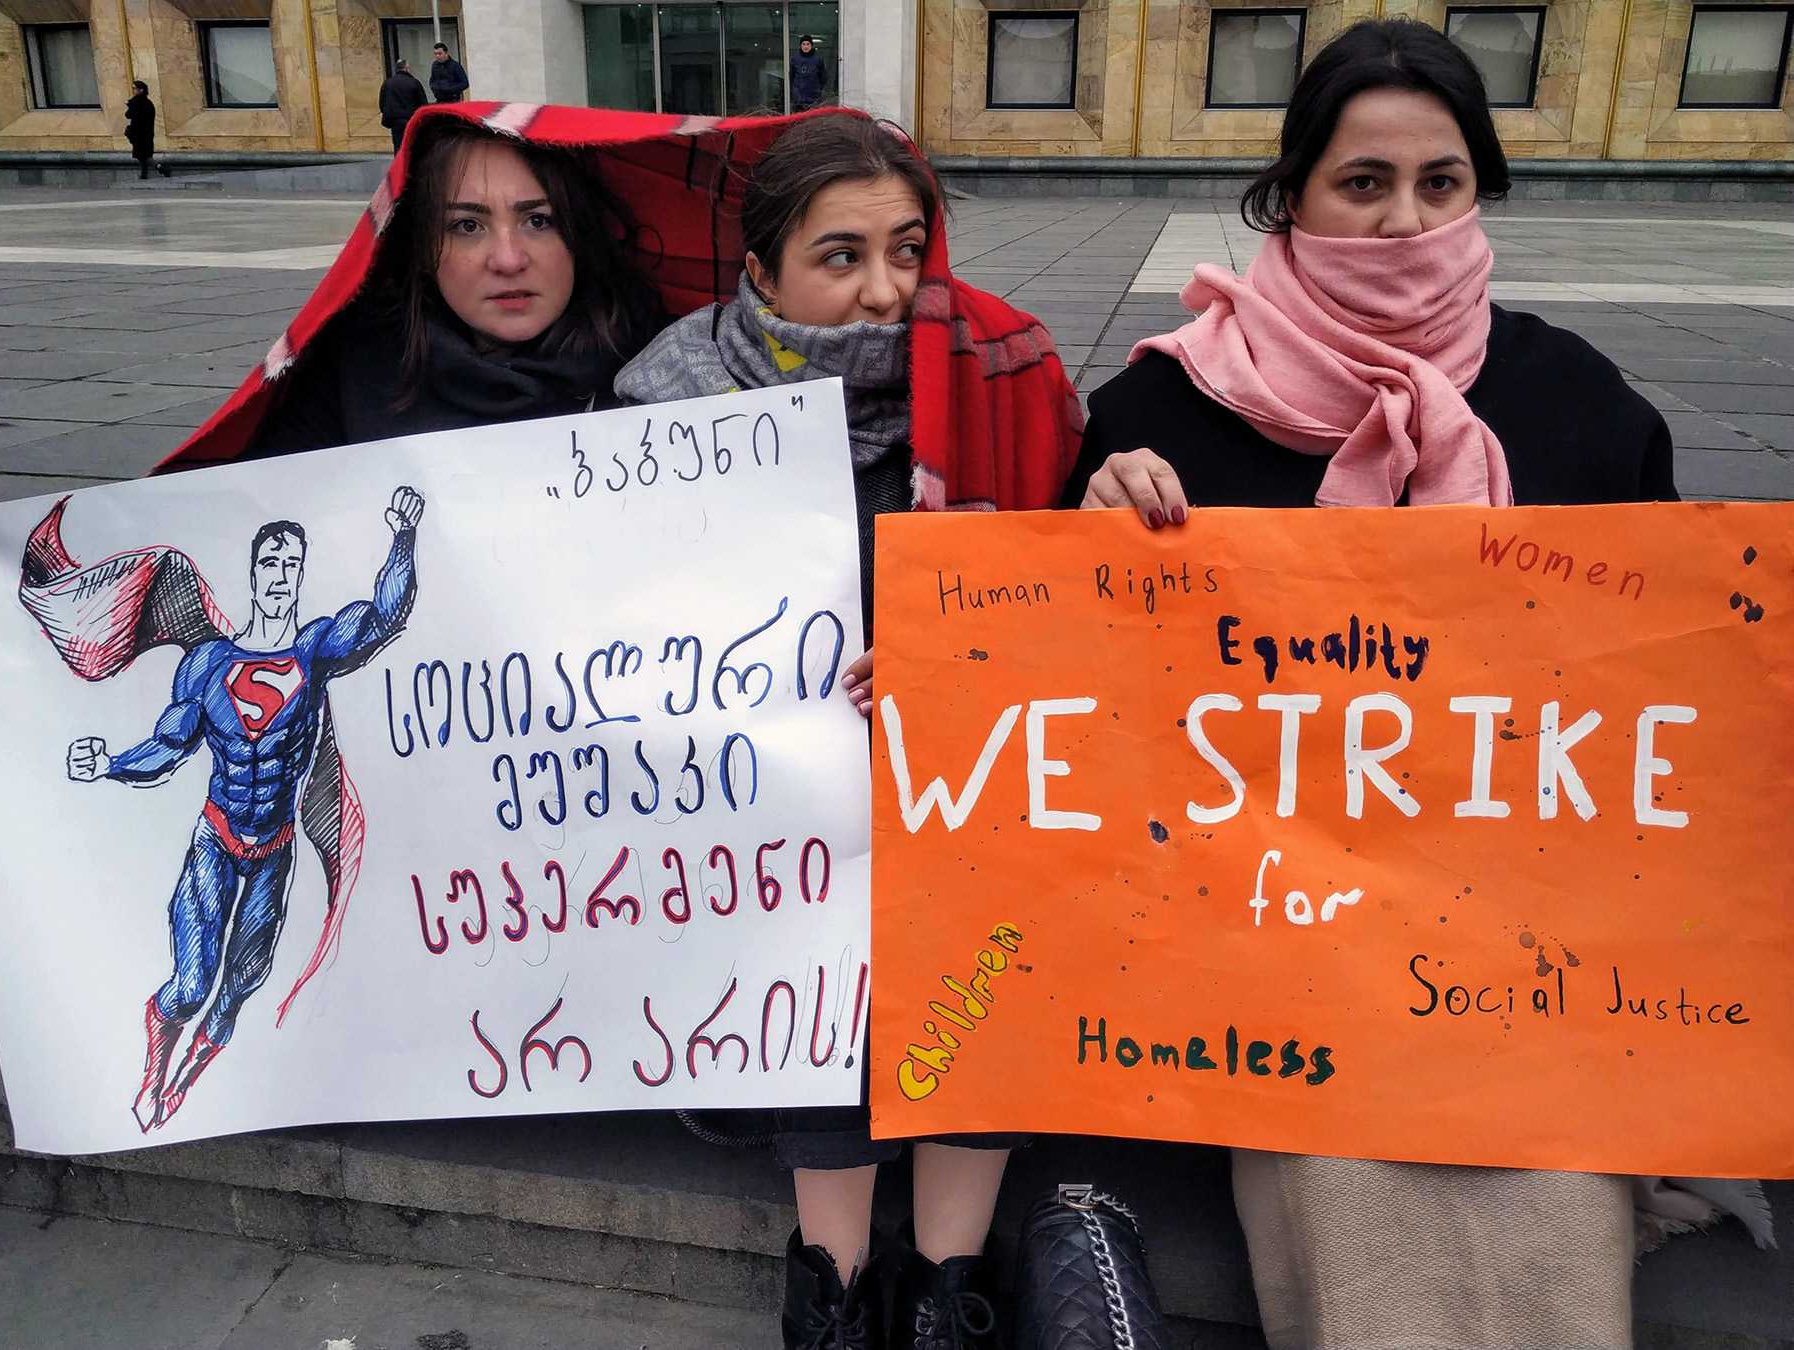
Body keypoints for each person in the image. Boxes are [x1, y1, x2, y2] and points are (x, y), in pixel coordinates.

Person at [1067, 18, 1771, 1350]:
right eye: (1363, 182)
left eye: (1438, 182)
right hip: (1283, 930)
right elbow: (1073, 717)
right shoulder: (1159, 416)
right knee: (1350, 1178)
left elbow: (1673, 701)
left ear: (1479, 191)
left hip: (1527, 939)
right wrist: (1093, 541)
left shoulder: (1580, 403)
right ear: (1294, 196)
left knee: (1549, 1181)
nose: (1402, 220)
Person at [616, 112, 1082, 1350]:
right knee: (808, 927)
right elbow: (618, 643)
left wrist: (975, 656)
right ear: (759, 271)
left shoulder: (1010, 372)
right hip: (773, 826)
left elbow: (1078, 609)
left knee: (986, 921)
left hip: (966, 813)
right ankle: (829, 1291)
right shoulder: (666, 406)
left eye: (906, 250)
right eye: (841, 257)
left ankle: (946, 1292)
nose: (886, 293)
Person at [65, 490, 423, 1134]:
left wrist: (402, 538)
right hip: (217, 842)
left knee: (236, 993)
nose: (281, 576)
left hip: (272, 853)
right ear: (254, 575)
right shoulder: (208, 665)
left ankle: (185, 1083)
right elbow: (168, 747)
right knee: (192, 984)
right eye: (271, 564)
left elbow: (383, 617)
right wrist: (111, 763)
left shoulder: (313, 654)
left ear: (299, 576)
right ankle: (152, 1078)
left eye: (293, 565)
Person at [237, 119, 663, 457]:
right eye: (467, 226)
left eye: (538, 220)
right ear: (422, 249)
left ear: (579, 235)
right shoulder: (351, 374)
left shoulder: (664, 366)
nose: (509, 260)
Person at [379, 58, 428, 150]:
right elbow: (422, 103)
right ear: (406, 68)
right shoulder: (414, 82)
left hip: (395, 121)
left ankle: (400, 163)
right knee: (412, 146)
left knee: (398, 146)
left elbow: (382, 103)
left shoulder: (387, 83)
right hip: (411, 119)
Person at [125, 80, 168, 180]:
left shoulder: (137, 102)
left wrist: (129, 105)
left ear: (141, 90)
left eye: (134, 88)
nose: (133, 91)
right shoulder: (148, 103)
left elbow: (128, 115)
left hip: (139, 134)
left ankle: (160, 169)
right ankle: (145, 173)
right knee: (144, 156)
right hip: (147, 133)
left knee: (143, 156)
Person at [790, 34, 826, 113]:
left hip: (813, 98)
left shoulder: (818, 59)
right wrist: (795, 93)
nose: (806, 46)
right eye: (803, 44)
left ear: (811, 45)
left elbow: (823, 77)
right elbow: (791, 77)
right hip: (799, 99)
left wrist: (818, 91)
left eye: (808, 44)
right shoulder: (795, 59)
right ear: (800, 45)